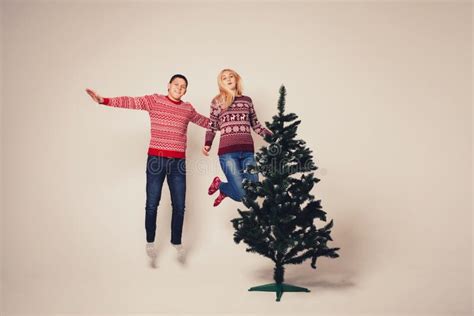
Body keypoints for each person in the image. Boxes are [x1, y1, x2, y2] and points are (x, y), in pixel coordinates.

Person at [85, 74, 209, 265]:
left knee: (180, 206)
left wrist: (230, 122)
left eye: (183, 86)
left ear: (185, 90)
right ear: (168, 86)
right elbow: (130, 102)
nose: (179, 87)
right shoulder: (155, 100)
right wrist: (104, 101)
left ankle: (177, 242)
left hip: (178, 163)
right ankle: (150, 243)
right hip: (156, 161)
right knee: (152, 203)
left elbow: (205, 122)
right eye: (176, 84)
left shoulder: (187, 108)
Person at [202, 69, 271, 207]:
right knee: (242, 196)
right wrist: (208, 143)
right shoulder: (217, 101)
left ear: (236, 79)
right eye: (224, 78)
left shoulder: (247, 101)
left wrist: (273, 136)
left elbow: (256, 125)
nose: (228, 79)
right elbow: (212, 125)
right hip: (228, 154)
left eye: (231, 76)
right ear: (221, 83)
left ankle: (224, 190)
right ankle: (220, 185)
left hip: (247, 153)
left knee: (253, 192)